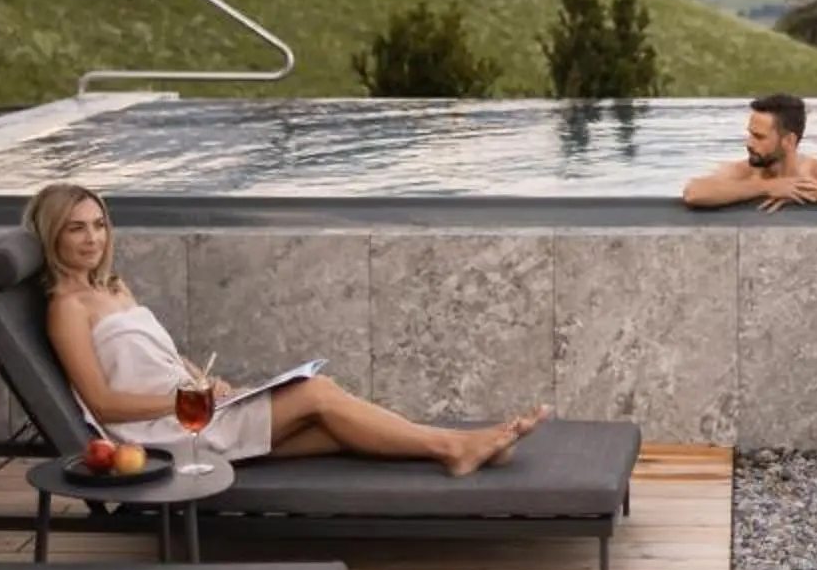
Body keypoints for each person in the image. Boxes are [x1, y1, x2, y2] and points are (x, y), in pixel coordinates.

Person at [28, 179, 545, 479]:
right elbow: (102, 403)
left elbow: (163, 356)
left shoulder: (114, 289)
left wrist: (204, 380)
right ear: (55, 234)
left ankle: (459, 443)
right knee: (317, 392)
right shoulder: (67, 307)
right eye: (77, 227)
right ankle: (456, 447)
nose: (92, 238)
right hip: (168, 432)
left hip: (197, 409)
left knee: (334, 425)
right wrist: (189, 403)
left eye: (98, 225)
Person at [680, 92, 817, 211]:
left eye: (759, 137)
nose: (749, 143)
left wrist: (805, 190)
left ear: (788, 141)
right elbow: (694, 192)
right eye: (750, 134)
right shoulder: (743, 171)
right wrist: (767, 187)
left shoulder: (813, 171)